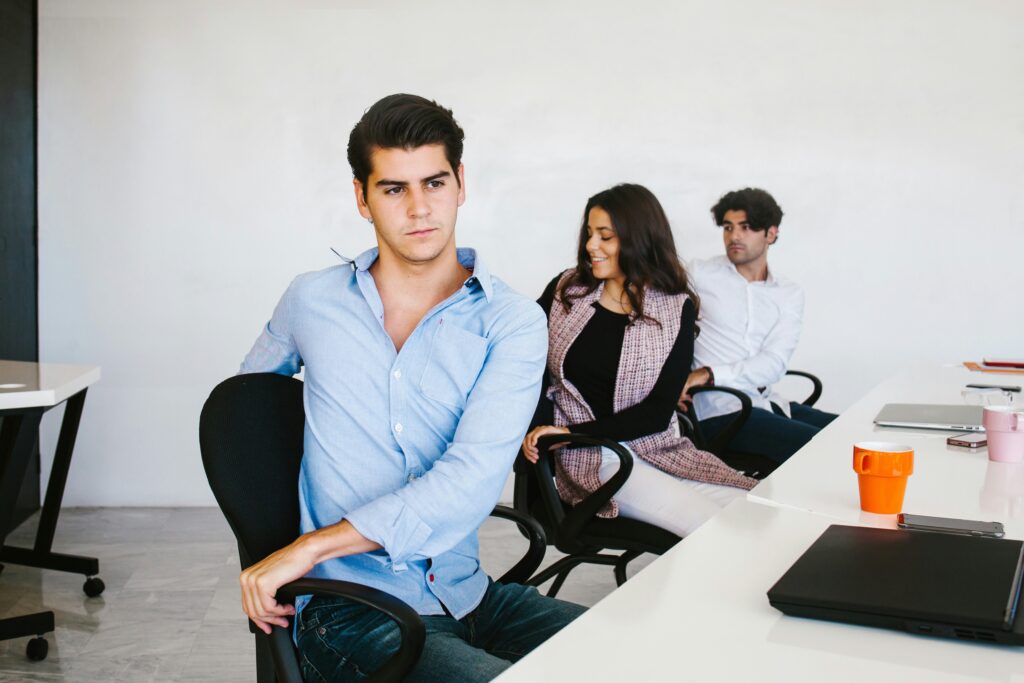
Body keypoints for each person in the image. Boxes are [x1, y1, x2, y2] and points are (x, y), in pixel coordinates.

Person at [237, 94, 584, 682]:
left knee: (639, 656)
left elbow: (472, 479)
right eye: (394, 189)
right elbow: (243, 415)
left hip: (468, 595)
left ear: (461, 183)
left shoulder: (512, 322)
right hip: (348, 609)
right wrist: (287, 543)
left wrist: (310, 545)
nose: (420, 208)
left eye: (434, 182)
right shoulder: (310, 301)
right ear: (362, 197)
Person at [522, 184, 756, 538]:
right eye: (589, 234)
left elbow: (658, 412)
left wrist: (570, 432)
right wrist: (550, 431)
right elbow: (524, 364)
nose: (590, 246)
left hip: (660, 448)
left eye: (606, 236)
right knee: (716, 529)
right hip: (592, 457)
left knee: (755, 513)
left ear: (639, 240)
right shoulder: (566, 292)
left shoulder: (676, 306)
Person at [680, 187, 836, 465]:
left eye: (747, 227)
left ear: (771, 234)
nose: (734, 236)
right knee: (824, 451)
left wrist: (708, 373)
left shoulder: (788, 293)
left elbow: (774, 363)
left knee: (853, 434)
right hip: (719, 412)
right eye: (728, 227)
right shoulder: (698, 274)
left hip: (769, 402)